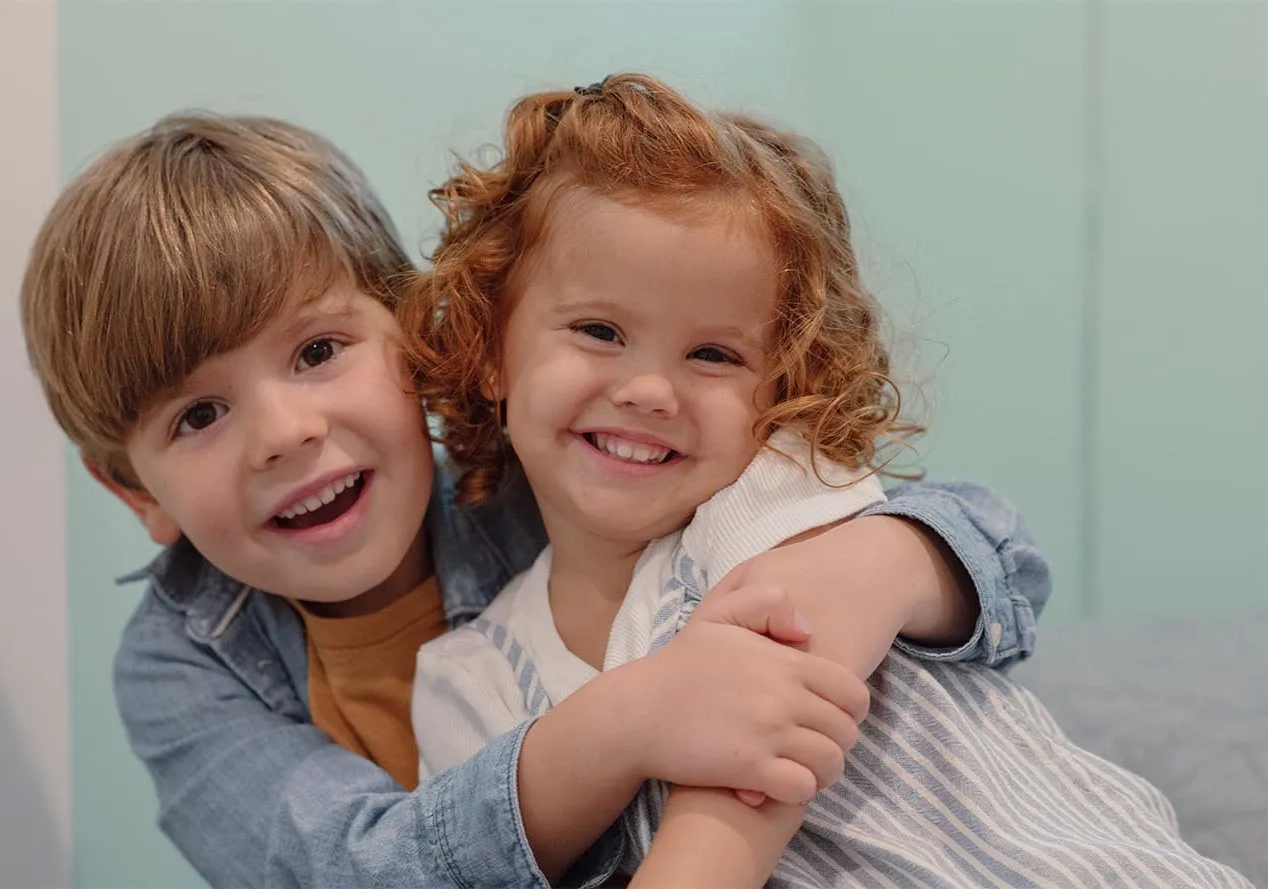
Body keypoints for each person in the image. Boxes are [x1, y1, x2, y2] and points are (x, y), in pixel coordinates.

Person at [20, 111, 1050, 888]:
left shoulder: (560, 466)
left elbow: (983, 544)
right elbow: (347, 868)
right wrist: (628, 721)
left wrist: (872, 564)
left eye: (320, 351)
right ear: (132, 490)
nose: (284, 431)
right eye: (197, 417)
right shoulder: (178, 667)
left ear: (422, 336)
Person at [407, 73, 1252, 888]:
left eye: (714, 354)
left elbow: (764, 737)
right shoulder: (469, 678)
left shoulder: (773, 496)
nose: (650, 390)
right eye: (598, 330)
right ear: (489, 348)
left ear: (781, 386)